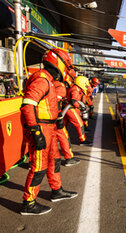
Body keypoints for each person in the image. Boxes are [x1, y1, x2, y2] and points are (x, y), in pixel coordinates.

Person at [20, 49, 78, 215]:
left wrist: (58, 117)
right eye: (66, 66)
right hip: (41, 128)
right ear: (58, 62)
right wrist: (36, 132)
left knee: (55, 160)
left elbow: (46, 105)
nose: (67, 70)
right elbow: (27, 106)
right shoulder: (42, 80)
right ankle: (28, 203)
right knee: (39, 166)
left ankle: (56, 190)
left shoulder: (49, 80)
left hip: (49, 127)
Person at [53, 80, 80, 166]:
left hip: (40, 117)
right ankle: (69, 158)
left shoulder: (47, 83)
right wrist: (58, 117)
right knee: (64, 136)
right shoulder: (60, 86)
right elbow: (55, 102)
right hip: (51, 117)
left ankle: (33, 164)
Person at [64, 76, 91, 146]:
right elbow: (73, 101)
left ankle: (62, 138)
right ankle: (82, 140)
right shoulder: (75, 90)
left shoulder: (77, 89)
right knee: (79, 124)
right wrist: (80, 107)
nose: (86, 85)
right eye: (85, 84)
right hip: (70, 109)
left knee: (64, 125)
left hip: (68, 108)